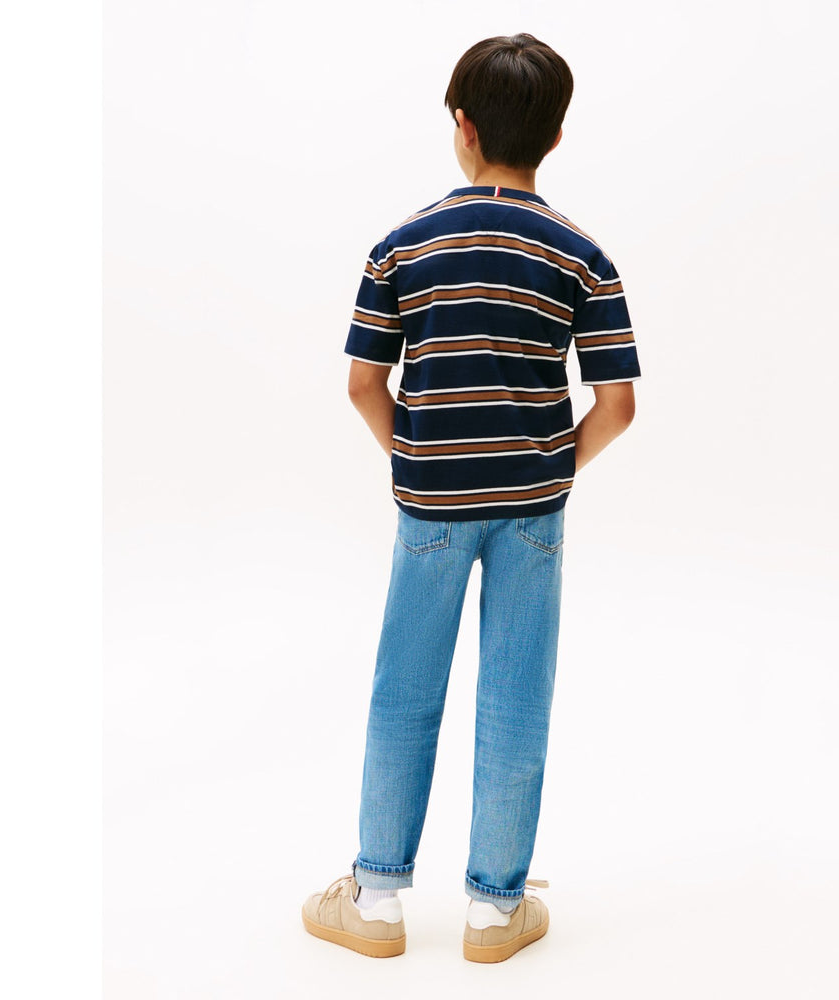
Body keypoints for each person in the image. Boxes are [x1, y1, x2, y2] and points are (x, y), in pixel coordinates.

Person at [301, 32, 641, 963]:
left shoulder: (401, 247)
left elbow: (363, 383)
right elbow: (617, 405)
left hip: (429, 510)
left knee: (404, 692)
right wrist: (551, 466)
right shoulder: (583, 256)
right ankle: (495, 912)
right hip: (535, 510)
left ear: (462, 126)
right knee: (516, 697)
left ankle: (375, 901)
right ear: (557, 136)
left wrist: (416, 459)